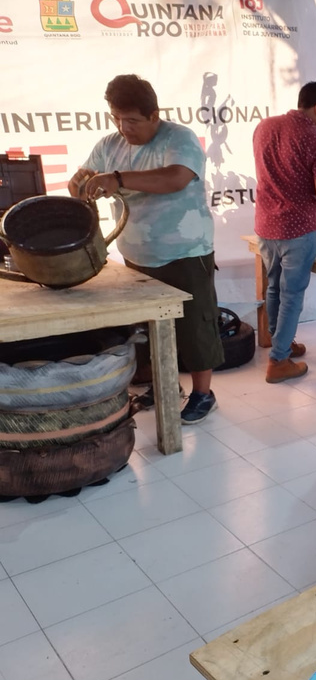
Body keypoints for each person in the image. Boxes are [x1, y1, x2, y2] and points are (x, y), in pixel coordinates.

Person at [68, 74, 222, 425]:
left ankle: (203, 394)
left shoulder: (179, 139)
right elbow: (80, 180)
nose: (124, 128)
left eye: (133, 121)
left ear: (154, 115)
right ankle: (164, 383)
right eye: (117, 118)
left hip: (186, 251)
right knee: (149, 328)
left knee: (195, 327)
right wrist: (80, 185)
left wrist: (118, 179)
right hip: (137, 255)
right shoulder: (109, 145)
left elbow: (175, 178)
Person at [253, 81, 316, 383]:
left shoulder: (264, 127)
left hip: (266, 225)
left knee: (274, 287)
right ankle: (279, 361)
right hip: (297, 230)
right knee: (292, 295)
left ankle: (278, 340)